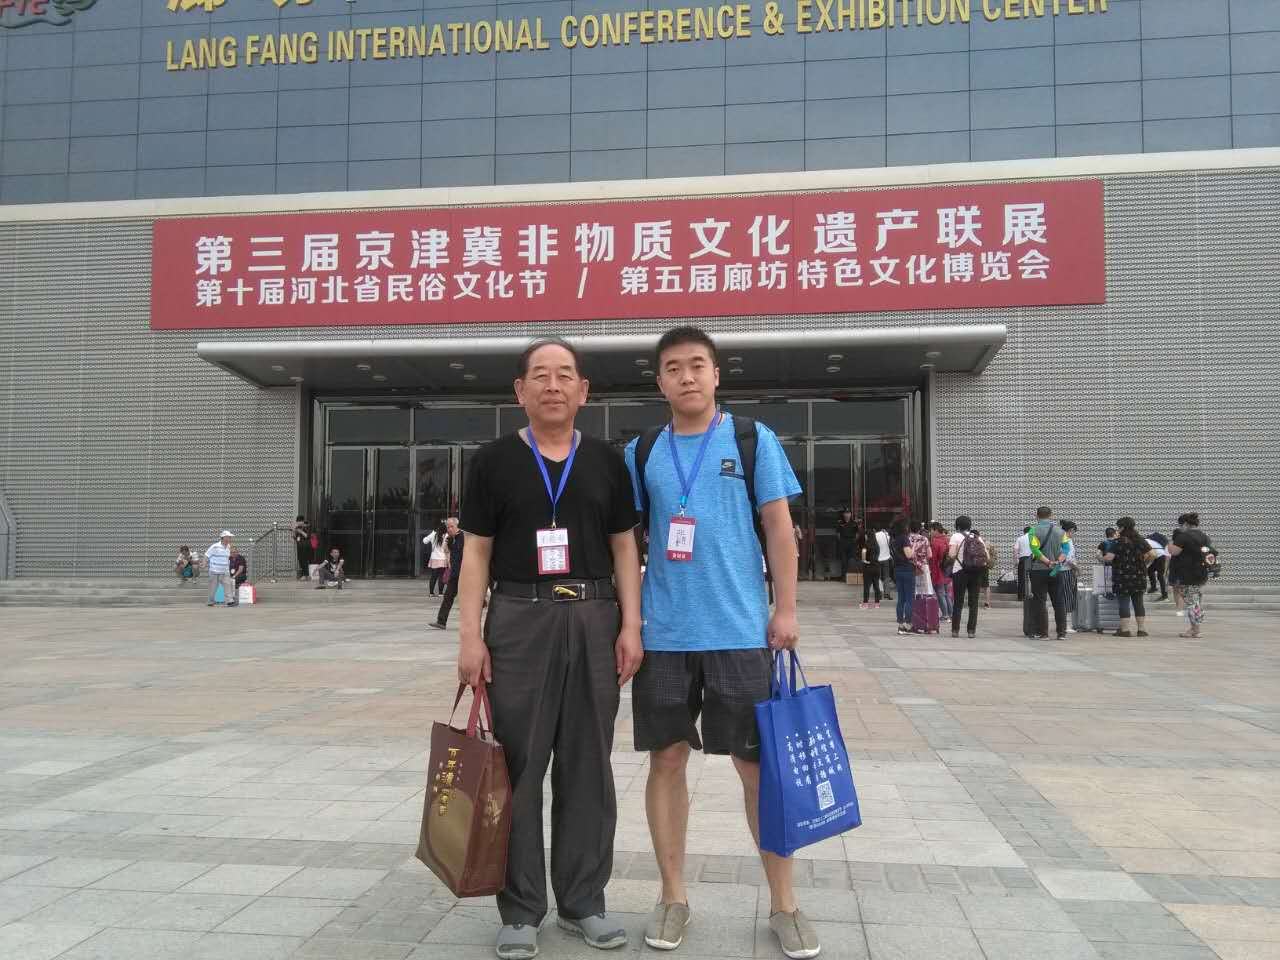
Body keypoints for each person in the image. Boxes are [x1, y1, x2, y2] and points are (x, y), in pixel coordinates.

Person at [624, 326, 817, 960]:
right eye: (673, 368)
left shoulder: (753, 439)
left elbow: (780, 530)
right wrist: (631, 622)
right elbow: (624, 540)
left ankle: (785, 904)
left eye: (697, 365)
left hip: (740, 632)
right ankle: (672, 896)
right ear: (660, 381)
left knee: (756, 768)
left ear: (715, 374)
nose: (686, 376)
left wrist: (785, 609)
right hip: (667, 636)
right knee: (666, 761)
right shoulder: (642, 451)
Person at [455, 337, 642, 960]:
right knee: (519, 766)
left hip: (593, 616)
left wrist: (631, 625)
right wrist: (471, 636)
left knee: (588, 764)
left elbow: (624, 547)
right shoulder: (493, 461)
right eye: (540, 375)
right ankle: (521, 908)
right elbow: (476, 552)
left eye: (565, 375)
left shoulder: (607, 461)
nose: (553, 385)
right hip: (519, 619)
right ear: (520, 391)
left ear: (584, 391)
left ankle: (584, 901)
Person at [1168, 512, 1215, 639]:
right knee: (1195, 601)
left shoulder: (1183, 536)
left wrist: (1169, 545)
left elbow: (1174, 552)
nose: (1180, 527)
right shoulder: (1204, 536)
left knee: (1192, 602)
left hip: (1187, 574)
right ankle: (1194, 628)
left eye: (1181, 524)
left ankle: (1196, 630)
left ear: (1185, 524)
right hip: (1201, 573)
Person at [1104, 517, 1154, 637]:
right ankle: (1141, 629)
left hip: (1122, 576)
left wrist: (1101, 557)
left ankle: (1125, 630)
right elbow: (1152, 554)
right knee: (1138, 602)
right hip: (1139, 575)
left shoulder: (1117, 542)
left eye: (1118, 527)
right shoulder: (1140, 540)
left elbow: (1109, 558)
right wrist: (1145, 564)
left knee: (1124, 602)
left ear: (1122, 528)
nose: (1117, 529)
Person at [1028, 507, 1067, 641]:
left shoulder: (1033, 531)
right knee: (1059, 601)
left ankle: (1043, 633)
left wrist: (1047, 562)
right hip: (1056, 570)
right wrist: (1057, 561)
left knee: (1040, 602)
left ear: (1037, 516)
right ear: (1051, 515)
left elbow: (1035, 549)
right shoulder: (1061, 531)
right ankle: (1061, 633)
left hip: (1039, 570)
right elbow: (1066, 549)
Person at [946, 516, 984, 639]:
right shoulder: (977, 537)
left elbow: (951, 554)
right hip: (976, 572)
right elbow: (986, 556)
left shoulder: (955, 536)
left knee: (958, 602)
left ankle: (955, 630)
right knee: (974, 603)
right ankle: (971, 631)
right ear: (969, 525)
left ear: (957, 526)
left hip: (960, 571)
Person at [430, 517, 464, 630]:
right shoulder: (450, 539)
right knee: (448, 596)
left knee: (468, 600)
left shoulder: (463, 538)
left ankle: (470, 624)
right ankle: (441, 622)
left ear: (457, 526)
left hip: (465, 574)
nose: (449, 529)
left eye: (451, 527)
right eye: (447, 527)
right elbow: (447, 552)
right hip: (455, 574)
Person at [891, 518, 915, 633]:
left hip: (897, 570)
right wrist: (913, 548)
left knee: (901, 598)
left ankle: (900, 625)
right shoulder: (904, 538)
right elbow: (909, 555)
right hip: (907, 569)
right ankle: (908, 624)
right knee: (909, 598)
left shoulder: (894, 540)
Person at [1053, 521, 1078, 628]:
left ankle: (1064, 624)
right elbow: (1067, 558)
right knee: (1066, 597)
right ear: (1070, 530)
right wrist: (1076, 568)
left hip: (1066, 570)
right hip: (1065, 570)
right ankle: (1065, 625)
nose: (1073, 534)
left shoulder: (1064, 539)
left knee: (1067, 596)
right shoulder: (1065, 540)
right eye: (1074, 532)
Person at [204, 531, 235, 607]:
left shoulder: (229, 546)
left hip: (225, 571)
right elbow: (207, 555)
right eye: (228, 537)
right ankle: (210, 601)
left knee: (227, 585)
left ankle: (230, 601)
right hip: (214, 571)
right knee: (213, 588)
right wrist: (204, 563)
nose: (230, 538)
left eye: (230, 537)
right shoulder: (215, 546)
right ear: (223, 538)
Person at [928, 523, 952, 619]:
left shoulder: (935, 542)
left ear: (935, 530)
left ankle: (945, 615)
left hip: (938, 571)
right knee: (946, 594)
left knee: (940, 593)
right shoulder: (947, 540)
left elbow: (933, 559)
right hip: (947, 570)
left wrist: (931, 572)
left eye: (931, 530)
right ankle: (951, 614)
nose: (930, 532)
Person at [857, 523, 882, 609]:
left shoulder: (866, 545)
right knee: (876, 586)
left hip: (868, 567)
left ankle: (865, 603)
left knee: (866, 586)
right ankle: (877, 603)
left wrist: (864, 560)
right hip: (876, 567)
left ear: (867, 536)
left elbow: (863, 555)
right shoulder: (877, 546)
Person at [423, 522, 449, 595]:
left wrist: (432, 533)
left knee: (433, 576)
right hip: (443, 559)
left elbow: (424, 541)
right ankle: (440, 593)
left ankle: (431, 593)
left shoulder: (433, 534)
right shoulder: (447, 536)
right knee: (441, 576)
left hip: (434, 558)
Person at [1146, 531, 1170, 600]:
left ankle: (1164, 595)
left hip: (1160, 557)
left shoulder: (1145, 541)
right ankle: (1153, 588)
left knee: (1160, 576)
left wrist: (1146, 563)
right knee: (1150, 570)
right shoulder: (1149, 541)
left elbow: (1147, 554)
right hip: (1159, 556)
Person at [835, 508, 858, 577]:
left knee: (851, 560)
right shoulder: (840, 523)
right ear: (843, 514)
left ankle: (850, 576)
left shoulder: (854, 523)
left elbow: (857, 533)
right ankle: (844, 576)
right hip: (843, 543)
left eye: (848, 513)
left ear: (850, 514)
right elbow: (838, 533)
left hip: (851, 543)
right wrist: (842, 541)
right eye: (846, 513)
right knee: (843, 561)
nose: (847, 515)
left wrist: (854, 541)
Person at [1095, 527, 1117, 598]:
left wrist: (1102, 561)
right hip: (1118, 566)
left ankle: (1109, 595)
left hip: (1108, 565)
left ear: (1106, 534)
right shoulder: (1118, 542)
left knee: (1108, 581)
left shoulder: (1103, 543)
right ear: (1114, 533)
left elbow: (1097, 554)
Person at [876, 524, 894, 599]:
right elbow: (890, 542)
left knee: (878, 577)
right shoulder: (886, 535)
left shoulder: (875, 536)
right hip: (886, 558)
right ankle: (887, 593)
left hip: (878, 559)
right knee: (886, 576)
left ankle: (879, 593)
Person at [1014, 526, 1032, 601]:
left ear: (1024, 532)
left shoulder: (1020, 538)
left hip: (1022, 560)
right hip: (1031, 559)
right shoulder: (1033, 538)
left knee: (1021, 578)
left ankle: (1021, 596)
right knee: (1032, 578)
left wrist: (1016, 560)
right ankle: (1031, 595)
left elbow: (1015, 549)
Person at [291, 516, 311, 580]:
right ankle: (304, 575)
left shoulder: (307, 527)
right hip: (299, 546)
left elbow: (307, 536)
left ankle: (306, 575)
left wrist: (301, 532)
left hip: (305, 546)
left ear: (303, 521)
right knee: (300, 560)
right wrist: (294, 531)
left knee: (305, 560)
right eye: (298, 521)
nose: (299, 522)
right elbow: (295, 537)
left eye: (300, 521)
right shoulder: (297, 528)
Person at [980, 535, 996, 608]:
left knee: (985, 586)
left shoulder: (985, 546)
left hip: (983, 567)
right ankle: (987, 602)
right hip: (984, 567)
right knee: (985, 586)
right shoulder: (987, 545)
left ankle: (987, 603)